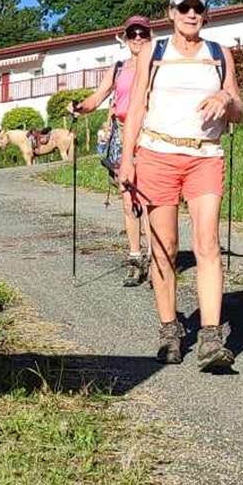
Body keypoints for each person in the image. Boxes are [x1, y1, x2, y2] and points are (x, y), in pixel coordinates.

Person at [119, 0, 243, 370]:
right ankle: (169, 328)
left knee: (207, 243)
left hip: (205, 156)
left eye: (198, 8)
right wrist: (127, 159)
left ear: (205, 14)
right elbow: (136, 107)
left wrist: (226, 99)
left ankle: (210, 336)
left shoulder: (219, 54)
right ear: (171, 13)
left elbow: (239, 111)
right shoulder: (153, 54)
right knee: (166, 247)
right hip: (158, 154)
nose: (191, 14)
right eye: (184, 8)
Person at [73, 15, 153, 287]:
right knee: (128, 197)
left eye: (143, 33)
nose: (138, 38)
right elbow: (98, 97)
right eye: (133, 33)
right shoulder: (118, 68)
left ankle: (157, 261)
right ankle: (135, 257)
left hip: (150, 133)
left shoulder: (157, 66)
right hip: (121, 135)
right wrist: (80, 107)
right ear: (126, 37)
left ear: (150, 36)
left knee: (150, 198)